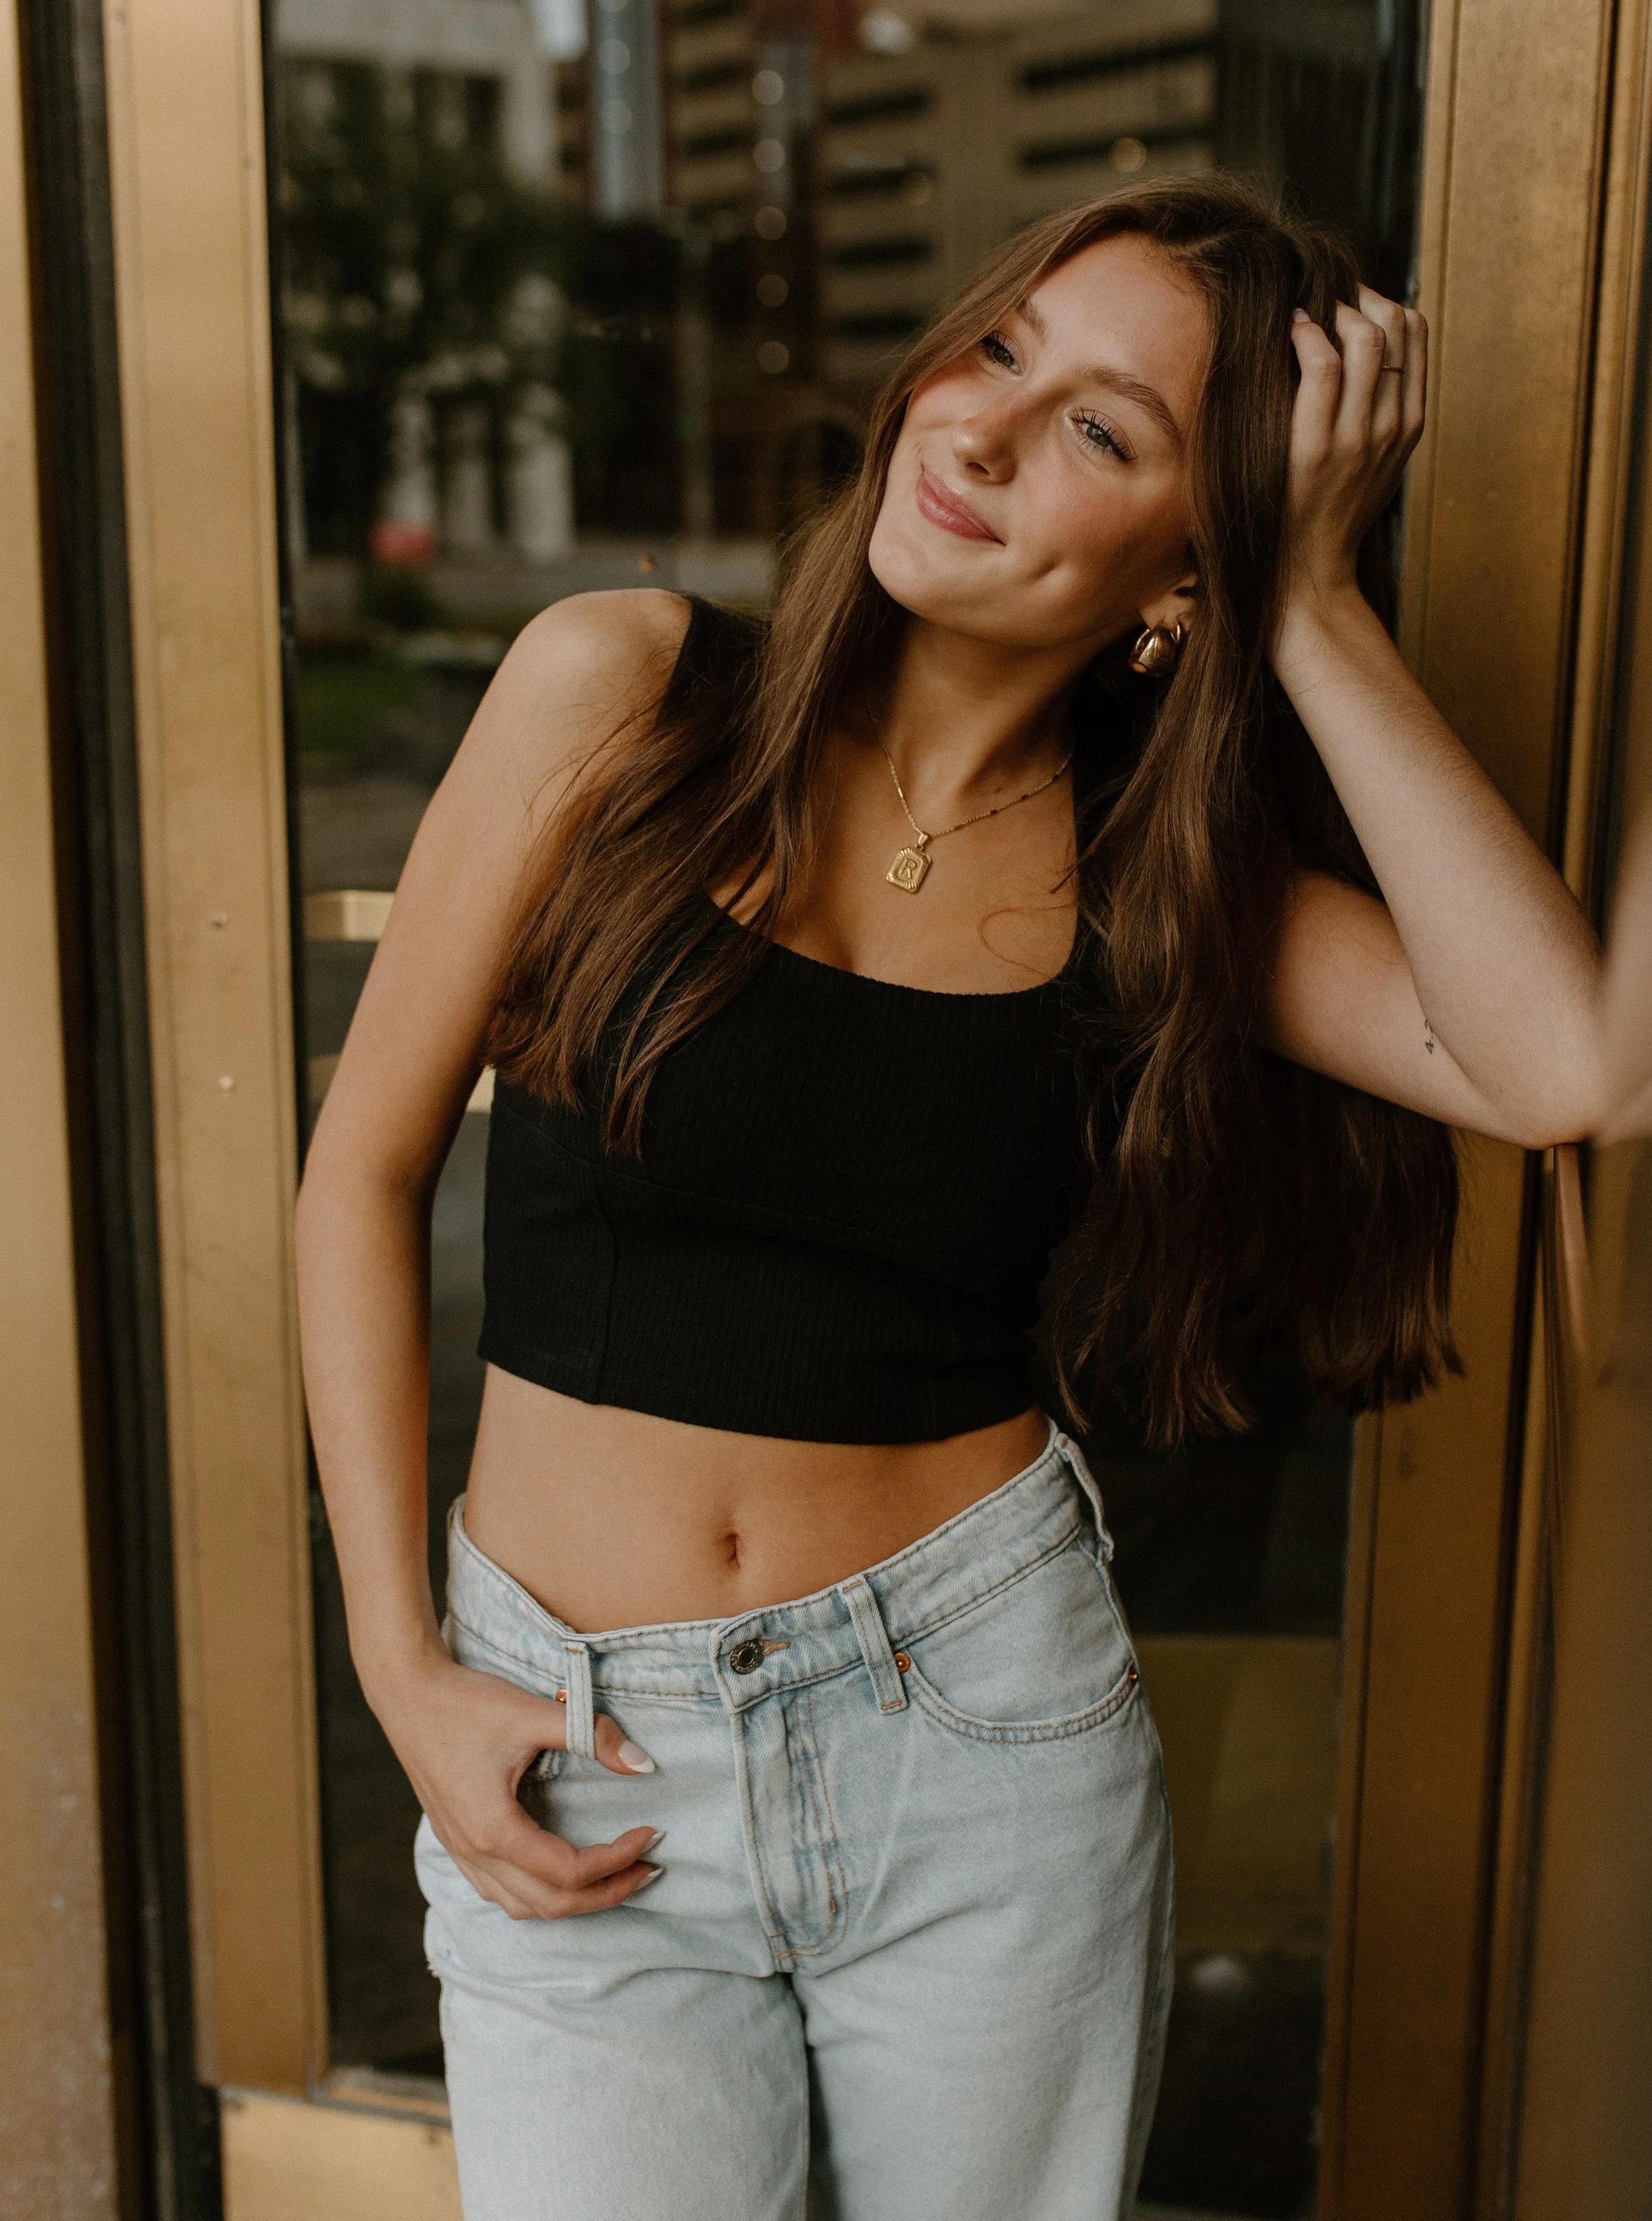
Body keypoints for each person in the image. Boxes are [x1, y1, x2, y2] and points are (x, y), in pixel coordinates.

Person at [295, 178, 1602, 2220]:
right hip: (574, 1727)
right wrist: (399, 1665)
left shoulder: (1167, 887)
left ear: (1185, 570)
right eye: (998, 350)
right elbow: (362, 1175)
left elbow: (1566, 1063)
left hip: (978, 1740)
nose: (980, 431)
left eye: (1102, 427)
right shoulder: (622, 688)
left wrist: (1313, 612)